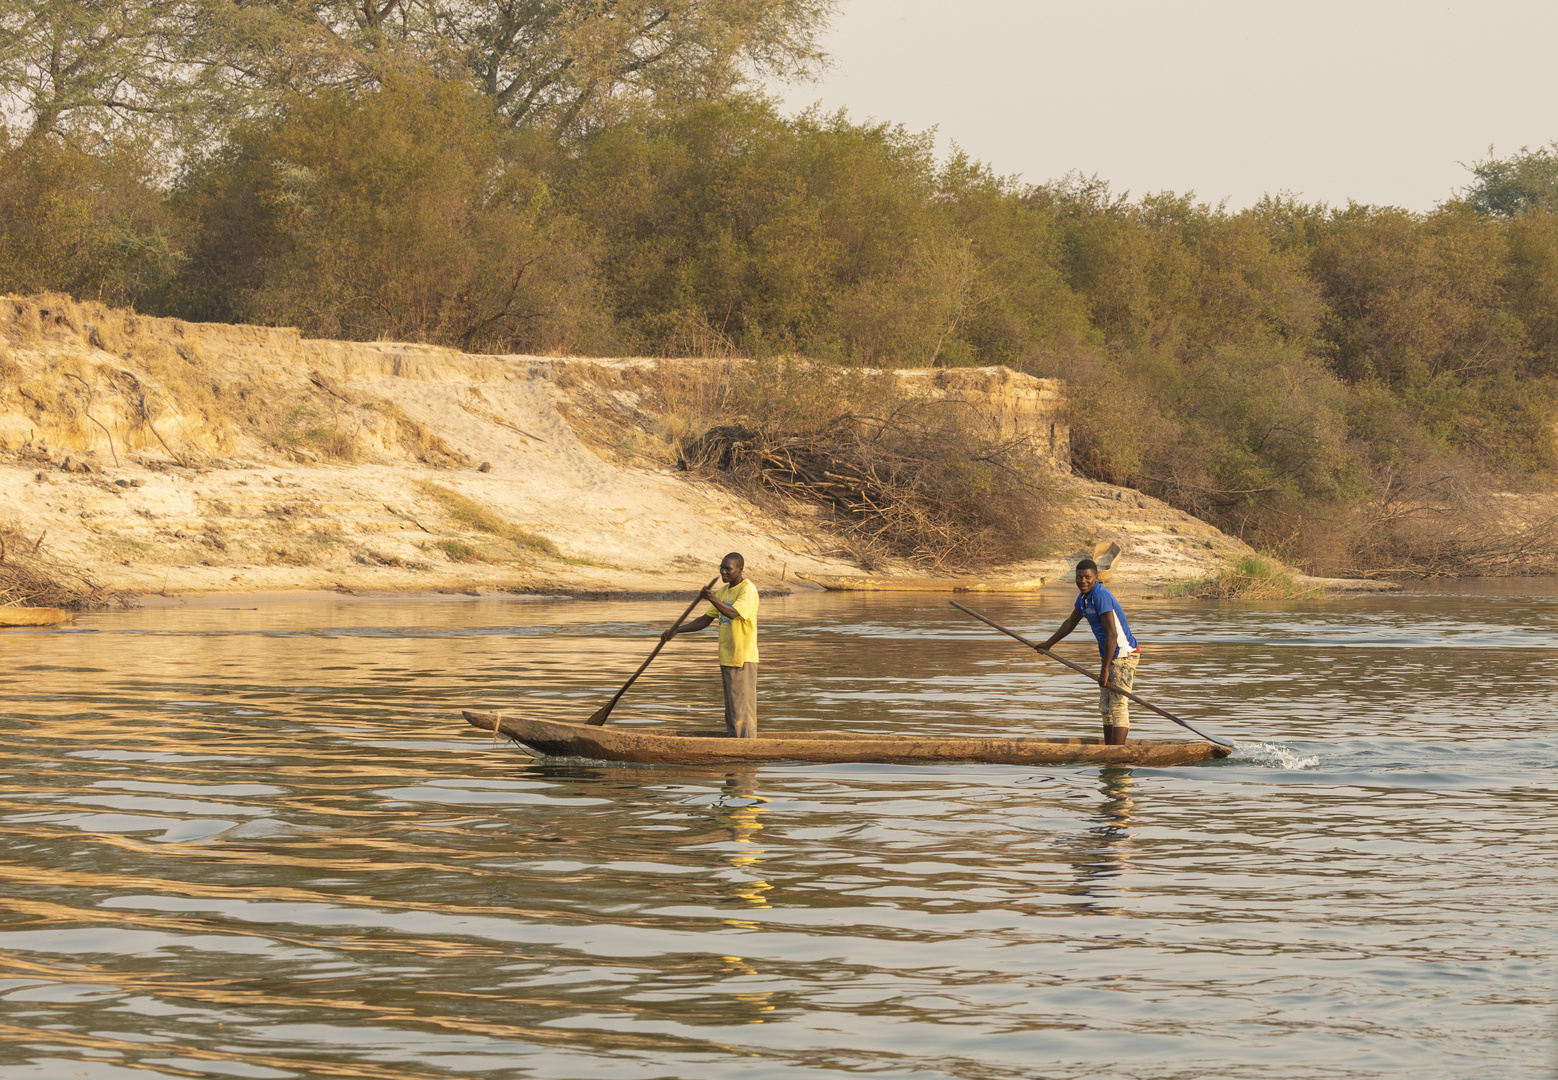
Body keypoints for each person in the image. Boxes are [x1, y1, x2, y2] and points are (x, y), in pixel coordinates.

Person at [1037, 558, 1139, 745]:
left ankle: (1115, 753)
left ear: (1096, 577)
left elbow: (1111, 635)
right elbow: (1070, 623)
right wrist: (1048, 644)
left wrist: (1105, 669)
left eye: (1087, 577)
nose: (1083, 581)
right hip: (1109, 655)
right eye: (1079, 577)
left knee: (1118, 705)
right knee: (1105, 708)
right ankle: (1108, 750)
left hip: (1124, 655)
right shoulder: (1084, 598)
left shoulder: (1100, 596)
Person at [663, 552, 759, 738]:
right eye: (721, 568)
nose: (723, 572)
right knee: (732, 711)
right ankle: (734, 743)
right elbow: (705, 620)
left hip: (742, 658)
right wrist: (676, 630)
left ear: (740, 569)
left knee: (742, 711)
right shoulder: (723, 592)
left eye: (728, 569)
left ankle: (746, 747)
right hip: (726, 657)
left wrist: (712, 598)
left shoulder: (747, 590)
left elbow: (733, 613)